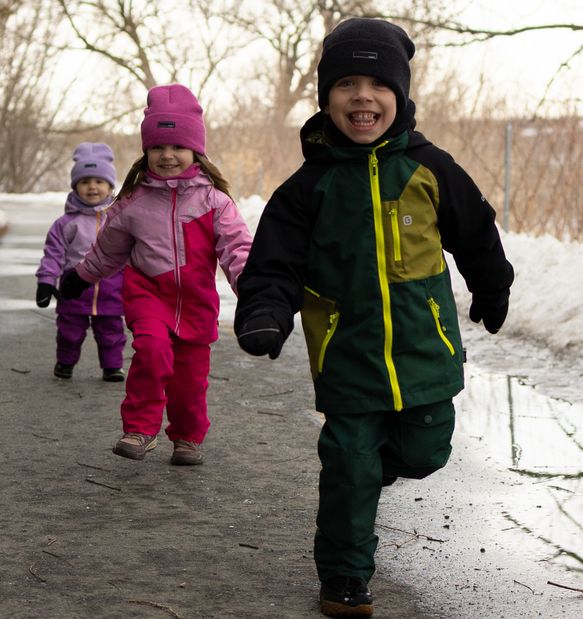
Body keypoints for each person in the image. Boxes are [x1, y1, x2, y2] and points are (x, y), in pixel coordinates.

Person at [233, 18, 514, 617]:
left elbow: (477, 234)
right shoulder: (308, 188)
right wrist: (264, 311)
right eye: (346, 85)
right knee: (350, 458)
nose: (363, 96)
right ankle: (343, 577)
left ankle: (358, 483)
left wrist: (492, 290)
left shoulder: (430, 168)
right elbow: (274, 263)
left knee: (426, 452)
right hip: (348, 356)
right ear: (326, 99)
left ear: (400, 96)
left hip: (426, 352)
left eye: (378, 85)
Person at [61, 84, 252, 466]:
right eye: (157, 147)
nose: (167, 156)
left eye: (177, 147)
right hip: (148, 295)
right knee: (151, 351)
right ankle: (139, 428)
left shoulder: (215, 201)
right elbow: (108, 251)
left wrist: (253, 290)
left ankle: (187, 438)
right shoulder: (133, 202)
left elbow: (237, 249)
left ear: (195, 150)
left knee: (189, 384)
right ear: (146, 150)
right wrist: (80, 276)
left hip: (197, 304)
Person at [36, 142, 127, 382]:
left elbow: (132, 254)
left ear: (110, 186)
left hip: (111, 288)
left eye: (99, 181)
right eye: (85, 182)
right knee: (69, 331)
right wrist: (46, 281)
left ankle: (112, 367)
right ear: (76, 186)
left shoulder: (120, 220)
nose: (92, 187)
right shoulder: (66, 223)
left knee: (111, 332)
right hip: (73, 289)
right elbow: (53, 255)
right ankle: (65, 362)